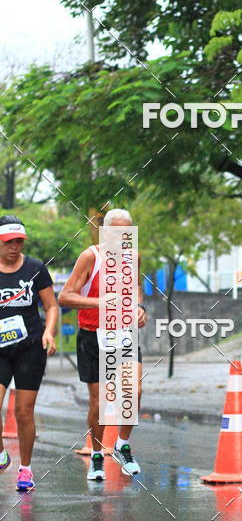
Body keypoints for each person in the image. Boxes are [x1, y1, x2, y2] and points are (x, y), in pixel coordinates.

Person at [58, 209, 147, 480]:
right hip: (92, 335)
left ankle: (121, 444)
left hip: (124, 333)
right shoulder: (91, 257)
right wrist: (101, 302)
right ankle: (97, 455)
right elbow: (65, 297)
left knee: (134, 390)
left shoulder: (133, 257)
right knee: (99, 403)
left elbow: (136, 289)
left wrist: (140, 308)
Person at [0, 215, 57, 492]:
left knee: (23, 412)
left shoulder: (35, 268)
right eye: (9, 242)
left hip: (30, 346)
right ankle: (1, 453)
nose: (14, 247)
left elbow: (52, 305)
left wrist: (49, 332)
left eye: (19, 241)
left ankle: (25, 469)